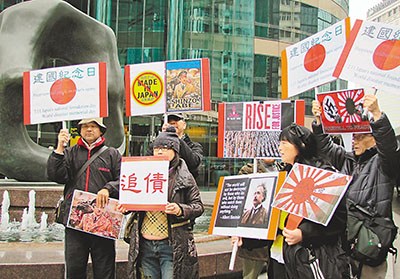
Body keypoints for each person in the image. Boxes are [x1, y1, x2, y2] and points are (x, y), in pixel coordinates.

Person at [312, 94, 399, 278]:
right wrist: (319, 122)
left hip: (369, 245)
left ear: (374, 138)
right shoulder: (348, 159)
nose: (354, 140)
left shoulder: (384, 163)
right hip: (346, 244)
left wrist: (377, 114)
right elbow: (325, 147)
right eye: (353, 136)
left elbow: (389, 147)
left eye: (359, 136)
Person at [119, 126, 204, 279]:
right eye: (156, 147)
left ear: (175, 151)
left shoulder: (184, 176)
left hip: (171, 245)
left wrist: (180, 209)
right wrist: (126, 206)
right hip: (144, 244)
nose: (159, 151)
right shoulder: (142, 171)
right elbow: (134, 201)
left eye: (165, 147)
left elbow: (198, 206)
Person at [47, 118, 122, 279]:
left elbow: (123, 180)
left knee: (105, 269)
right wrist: (59, 147)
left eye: (93, 126)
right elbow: (56, 175)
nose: (89, 129)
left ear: (101, 130)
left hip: (102, 222)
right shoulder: (71, 152)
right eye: (85, 126)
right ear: (80, 130)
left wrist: (108, 188)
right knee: (74, 268)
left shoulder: (112, 154)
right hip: (76, 222)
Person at [278, 123, 350, 278]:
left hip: (317, 256)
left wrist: (304, 233)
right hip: (288, 256)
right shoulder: (285, 175)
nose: (280, 148)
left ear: (301, 145)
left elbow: (338, 219)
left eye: (284, 143)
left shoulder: (323, 173)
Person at [231, 159, 277, 279]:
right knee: (250, 275)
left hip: (277, 237)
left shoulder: (284, 167)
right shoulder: (248, 170)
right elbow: (237, 200)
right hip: (254, 242)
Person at [147, 113, 203, 179]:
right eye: (168, 121)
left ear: (184, 125)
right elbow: (148, 163)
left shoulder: (194, 146)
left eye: (177, 119)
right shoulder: (155, 145)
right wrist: (162, 139)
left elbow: (193, 164)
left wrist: (175, 138)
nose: (172, 123)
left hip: (183, 186)